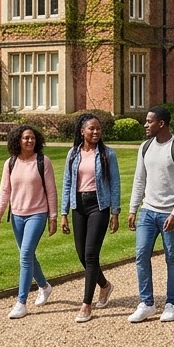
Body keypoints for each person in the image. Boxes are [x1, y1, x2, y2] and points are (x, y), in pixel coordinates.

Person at [127, 105, 174, 324]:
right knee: (141, 256)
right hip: (148, 211)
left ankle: (171, 303)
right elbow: (140, 180)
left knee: (172, 258)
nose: (145, 125)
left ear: (161, 123)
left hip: (170, 213)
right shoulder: (145, 147)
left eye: (149, 121)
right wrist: (133, 208)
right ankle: (146, 303)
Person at [59, 113, 121, 323]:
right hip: (78, 205)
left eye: (98, 129)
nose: (96, 132)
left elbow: (115, 184)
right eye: (91, 129)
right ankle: (104, 285)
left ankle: (86, 304)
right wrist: (64, 213)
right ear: (82, 131)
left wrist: (115, 212)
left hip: (98, 205)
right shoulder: (73, 154)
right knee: (81, 255)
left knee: (91, 254)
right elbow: (67, 184)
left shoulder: (107, 154)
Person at [0, 124, 58, 319]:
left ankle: (21, 302)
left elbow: (51, 190)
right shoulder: (10, 163)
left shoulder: (42, 161)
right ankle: (44, 286)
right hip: (17, 215)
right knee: (27, 255)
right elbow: (5, 191)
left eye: (32, 138)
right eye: (25, 138)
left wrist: (52, 217)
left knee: (26, 254)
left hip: (37, 213)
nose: (30, 141)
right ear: (18, 141)